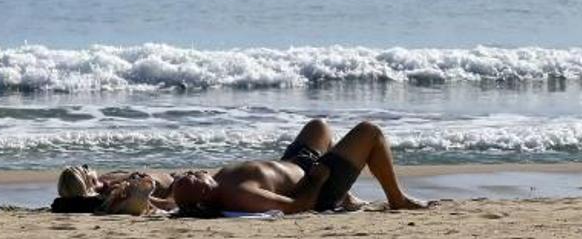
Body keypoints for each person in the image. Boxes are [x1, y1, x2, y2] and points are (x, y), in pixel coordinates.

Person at [172, 119, 434, 215]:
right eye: (193, 179)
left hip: (295, 163)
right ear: (204, 194)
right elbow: (297, 206)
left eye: (189, 174)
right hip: (314, 182)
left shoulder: (216, 183)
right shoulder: (241, 193)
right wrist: (318, 180)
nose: (193, 173)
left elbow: (170, 201)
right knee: (370, 132)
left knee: (318, 126)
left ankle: (347, 196)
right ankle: (397, 199)